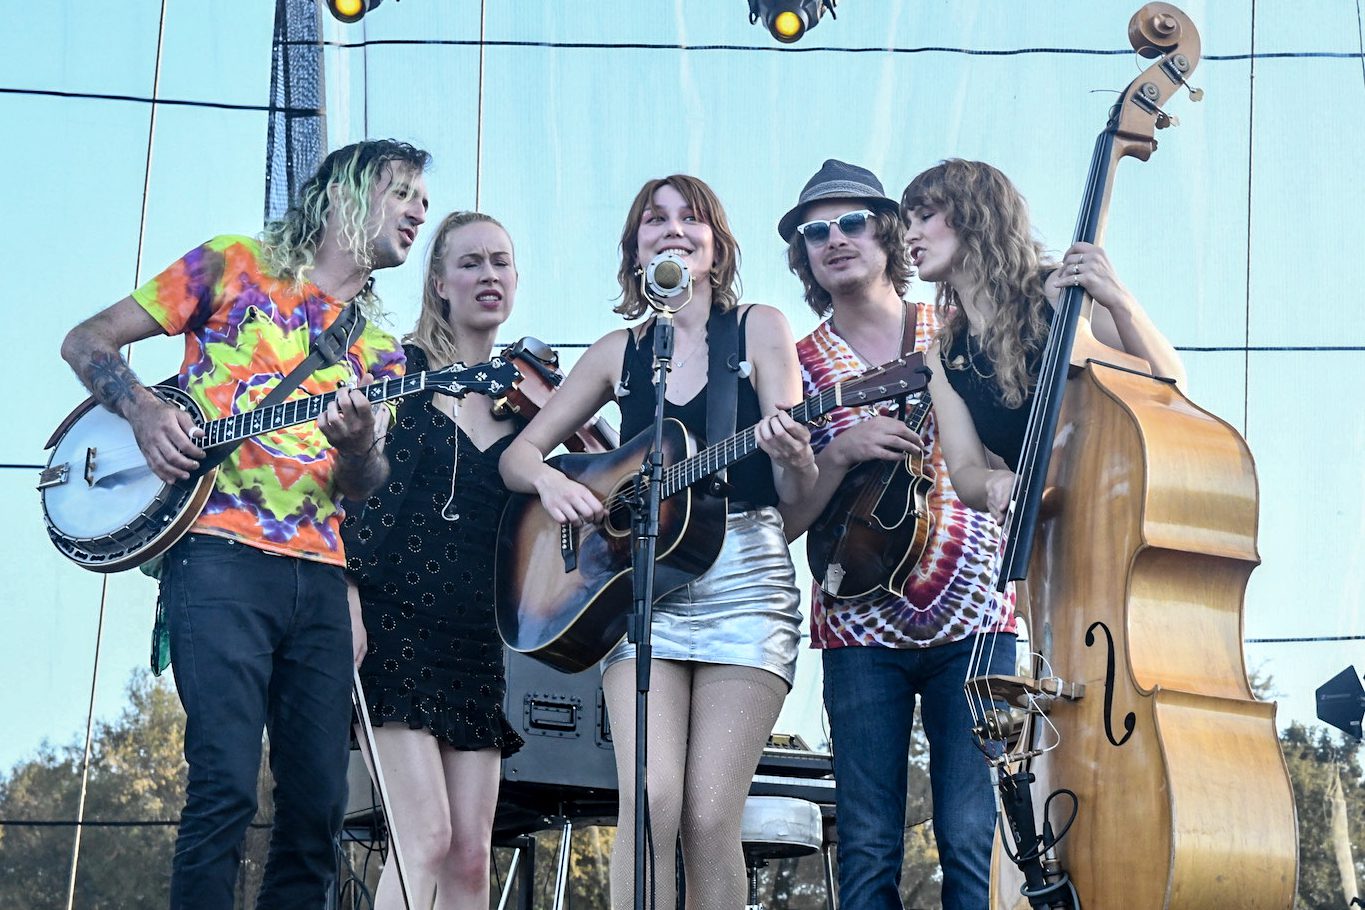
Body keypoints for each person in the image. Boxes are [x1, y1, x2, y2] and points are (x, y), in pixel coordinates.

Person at [59, 139, 431, 909]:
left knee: (317, 809)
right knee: (224, 786)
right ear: (342, 198)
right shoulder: (231, 264)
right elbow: (85, 339)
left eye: (422, 199)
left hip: (321, 579)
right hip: (217, 558)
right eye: (401, 192)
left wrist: (360, 448)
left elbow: (362, 486)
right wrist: (142, 408)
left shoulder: (381, 351)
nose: (419, 209)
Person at [498, 174, 818, 909]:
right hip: (638, 585)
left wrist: (795, 456)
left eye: (690, 219)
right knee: (650, 799)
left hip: (746, 576)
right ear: (635, 248)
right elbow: (519, 458)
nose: (673, 230)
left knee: (709, 815)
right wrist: (553, 485)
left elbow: (797, 497)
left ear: (715, 245)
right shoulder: (619, 352)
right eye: (654, 220)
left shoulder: (760, 328)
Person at [776, 158, 1018, 910]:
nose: (835, 240)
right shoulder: (794, 365)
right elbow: (781, 522)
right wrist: (840, 450)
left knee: (972, 839)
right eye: (816, 232)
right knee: (869, 842)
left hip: (977, 617)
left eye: (852, 223)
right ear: (804, 257)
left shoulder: (956, 326)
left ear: (889, 235)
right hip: (858, 629)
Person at [342, 211, 526, 910]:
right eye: (472, 262)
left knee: (472, 860)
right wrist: (346, 597)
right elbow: (346, 495)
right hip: (391, 622)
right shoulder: (400, 372)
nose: (489, 275)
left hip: (472, 636)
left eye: (501, 262)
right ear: (440, 282)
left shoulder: (522, 405)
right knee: (422, 839)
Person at [900, 158, 1185, 520]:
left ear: (976, 215)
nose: (909, 235)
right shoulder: (943, 357)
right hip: (1047, 537)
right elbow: (966, 469)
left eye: (924, 216)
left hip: (1122, 509)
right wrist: (995, 483)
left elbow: (1171, 384)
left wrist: (1119, 300)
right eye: (908, 223)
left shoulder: (1057, 294)